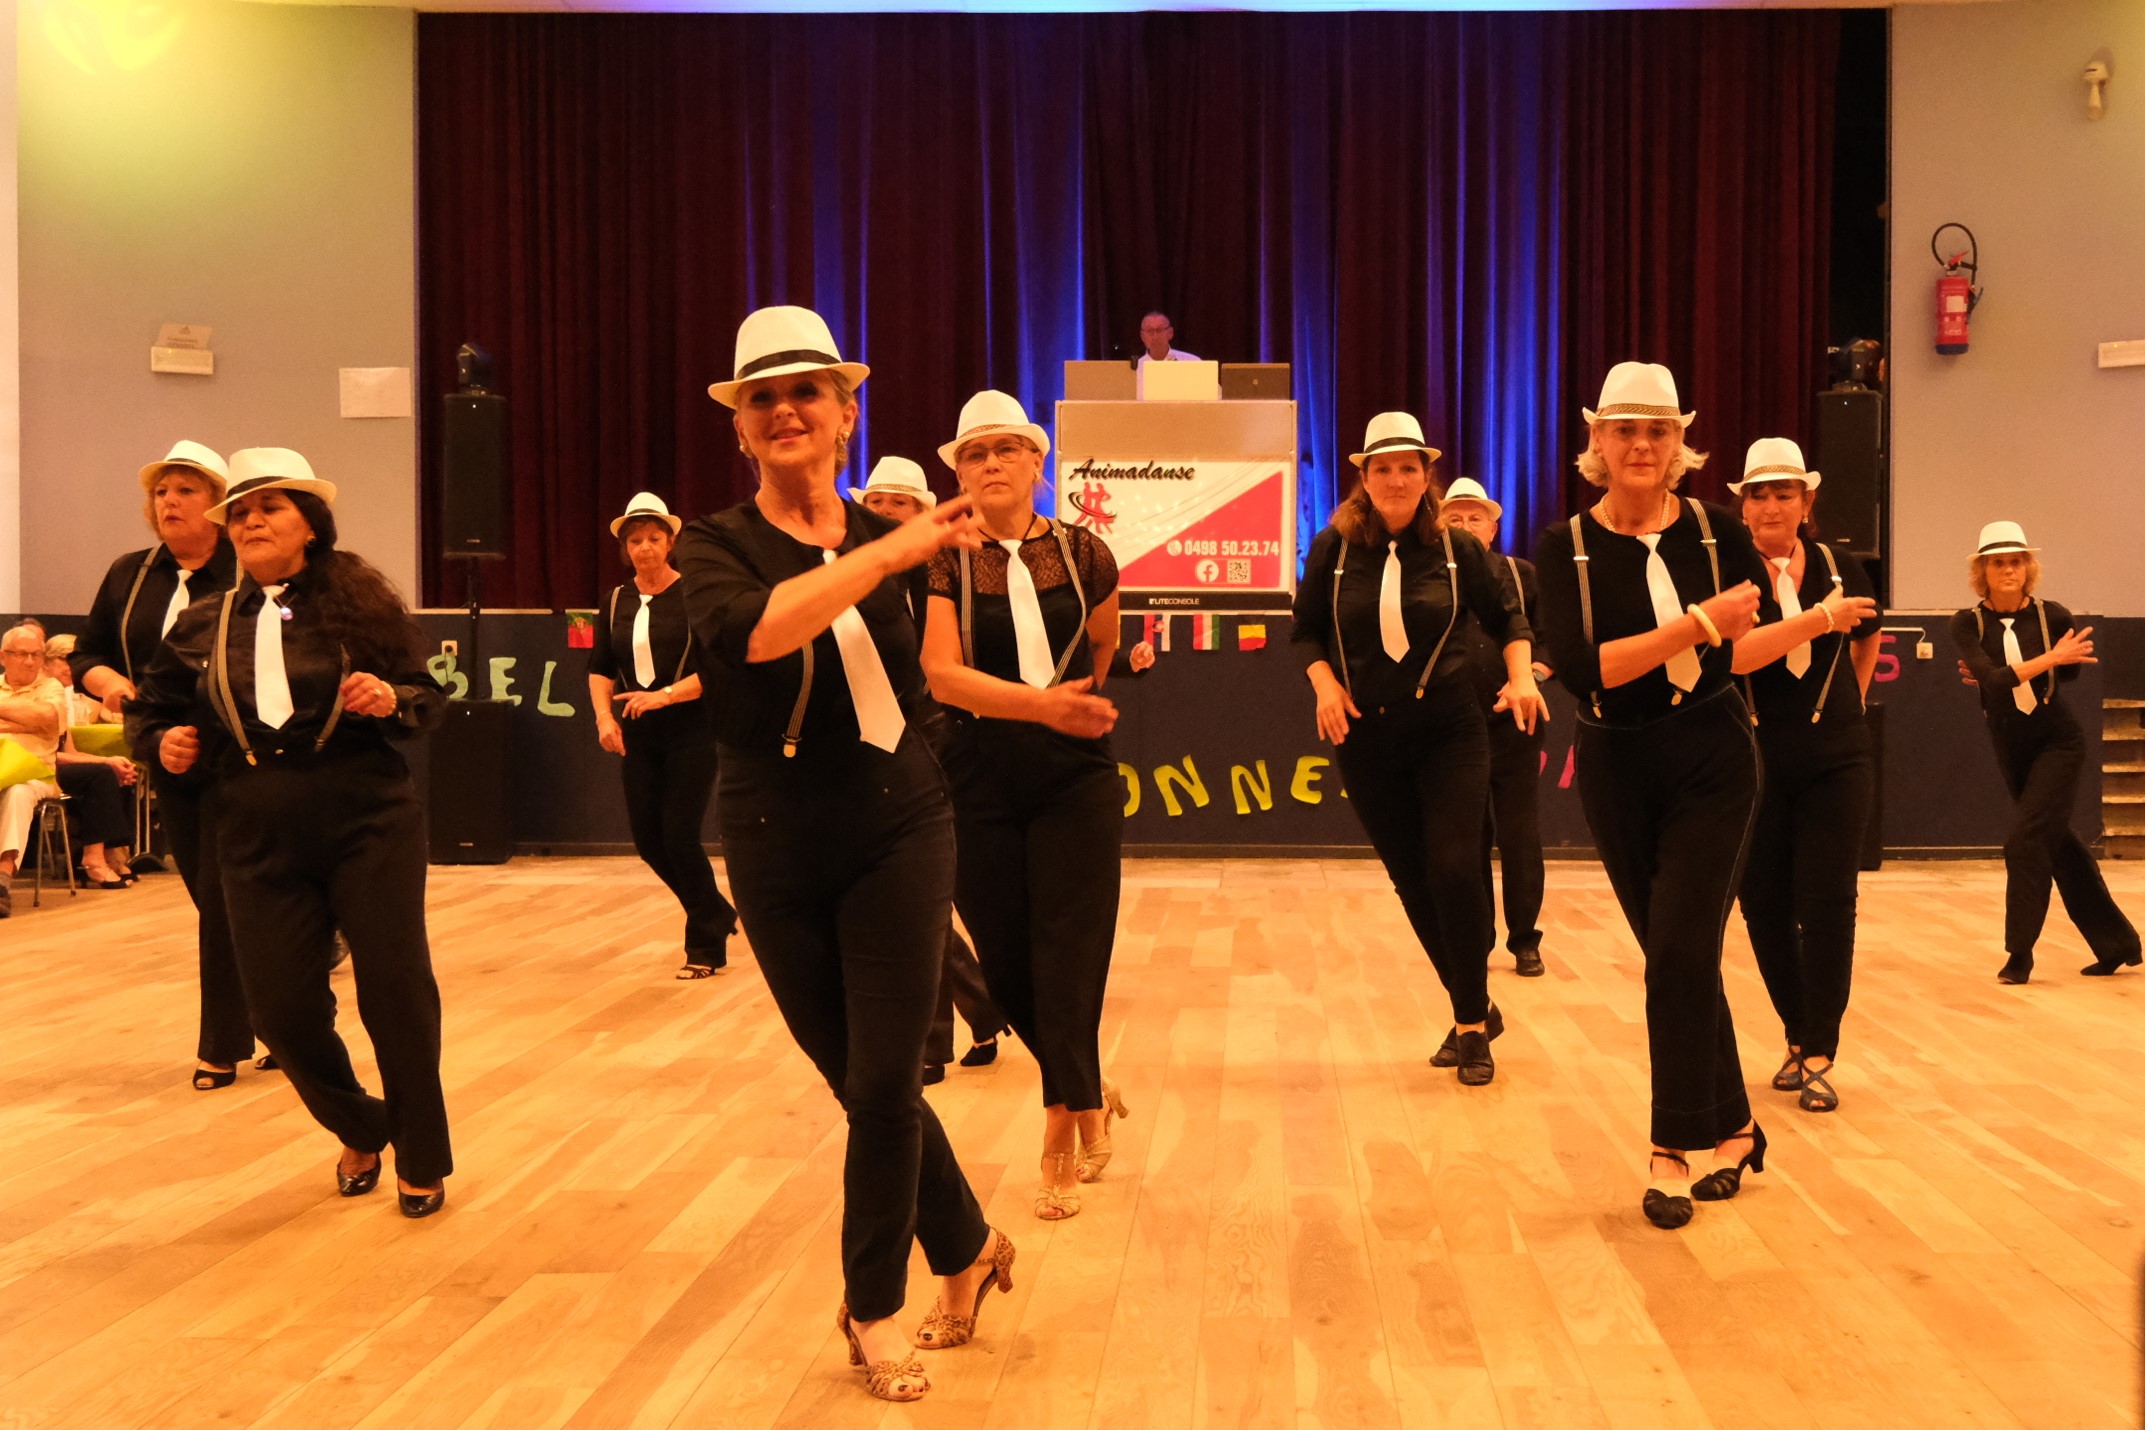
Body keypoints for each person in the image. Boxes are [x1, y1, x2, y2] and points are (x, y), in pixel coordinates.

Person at [679, 306, 1011, 1404]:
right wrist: (886, 551)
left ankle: (869, 1307)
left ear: (844, 413)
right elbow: (760, 632)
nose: (785, 411)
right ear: (740, 426)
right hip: (772, 835)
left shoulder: (888, 537)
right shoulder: (714, 543)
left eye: (806, 392)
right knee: (858, 1082)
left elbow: (920, 675)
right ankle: (967, 1245)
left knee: (883, 1080)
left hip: (899, 821)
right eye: (762, 398)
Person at [1534, 363, 1845, 1231]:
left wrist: (1812, 620)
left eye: (1658, 430)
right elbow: (1587, 670)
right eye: (1625, 430)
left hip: (1713, 756)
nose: (1641, 445)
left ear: (1679, 442)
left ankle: (1671, 1147)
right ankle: (1738, 1128)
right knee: (1680, 957)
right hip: (1616, 764)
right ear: (1597, 441)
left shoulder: (1714, 530)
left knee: (1675, 954)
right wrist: (1699, 624)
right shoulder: (1563, 545)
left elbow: (1742, 651)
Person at [128, 448, 453, 1217]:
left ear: (310, 524)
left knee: (395, 990)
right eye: (239, 513)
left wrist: (391, 698)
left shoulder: (361, 606)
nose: (250, 522)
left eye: (268, 508)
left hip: (367, 818)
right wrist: (162, 742)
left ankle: (422, 1154)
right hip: (253, 827)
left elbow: (425, 695)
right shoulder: (203, 623)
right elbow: (150, 709)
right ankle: (363, 1125)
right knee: (278, 1011)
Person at [919, 390, 1133, 1221]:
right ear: (959, 472)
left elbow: (1104, 641)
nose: (991, 464)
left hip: (1073, 772)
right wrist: (1038, 705)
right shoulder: (944, 560)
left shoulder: (1085, 552)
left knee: (1068, 954)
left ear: (1038, 462)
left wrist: (1066, 711)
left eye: (1007, 449)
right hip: (976, 769)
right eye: (975, 454)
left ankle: (1056, 1136)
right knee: (1008, 969)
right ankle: (1089, 1089)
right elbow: (942, 674)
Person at [1291, 414, 1545, 1087]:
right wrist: (1324, 685)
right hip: (1366, 737)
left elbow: (1509, 618)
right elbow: (1305, 629)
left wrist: (1521, 676)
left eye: (1408, 467)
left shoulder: (1456, 549)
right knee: (1412, 880)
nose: (1396, 479)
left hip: (1449, 730)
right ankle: (1474, 1005)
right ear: (1365, 478)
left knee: (1456, 868)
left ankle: (1470, 1026)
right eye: (1383, 468)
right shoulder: (1333, 548)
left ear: (1425, 476)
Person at [70, 440, 256, 1087]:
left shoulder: (246, 569)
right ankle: (294, 1006)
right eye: (161, 492)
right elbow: (86, 652)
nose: (169, 502)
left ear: (218, 505)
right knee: (216, 898)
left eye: (185, 490)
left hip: (242, 751)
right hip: (164, 748)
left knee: (228, 898)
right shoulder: (131, 573)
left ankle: (222, 1045)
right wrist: (109, 685)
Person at [1727, 440, 1882, 1114]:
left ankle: (1819, 1048)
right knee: (1762, 902)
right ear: (1742, 505)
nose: (1770, 506)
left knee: (1827, 900)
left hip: (1836, 756)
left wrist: (1849, 698)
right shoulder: (1728, 571)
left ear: (1806, 501)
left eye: (1783, 493)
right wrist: (1820, 620)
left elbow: (1867, 634)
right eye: (1758, 495)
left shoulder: (1840, 567)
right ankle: (1796, 1031)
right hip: (1752, 757)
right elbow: (1734, 657)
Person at [854, 457, 1013, 1083]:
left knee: (915, 895)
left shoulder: (948, 573)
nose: (885, 512)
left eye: (899, 503)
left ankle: (931, 1043)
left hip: (934, 734)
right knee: (904, 900)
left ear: (924, 513)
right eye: (876, 502)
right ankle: (981, 1007)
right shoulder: (847, 574)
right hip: (864, 741)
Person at [1950, 521, 2140, 983]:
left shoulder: (2053, 616)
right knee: (2060, 846)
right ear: (1983, 571)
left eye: (2017, 561)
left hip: (2058, 739)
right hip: (2009, 741)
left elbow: (2063, 674)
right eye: (1998, 562)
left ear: (2028, 568)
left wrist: (2027, 668)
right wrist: (2043, 661)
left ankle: (2019, 954)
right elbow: (1994, 681)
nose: (2009, 569)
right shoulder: (1967, 622)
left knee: (2025, 842)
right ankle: (2117, 943)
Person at [586, 490, 739, 978]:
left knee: (679, 836)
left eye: (654, 538)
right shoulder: (616, 601)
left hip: (691, 727)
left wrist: (666, 695)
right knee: (649, 841)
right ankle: (715, 910)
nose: (645, 548)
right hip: (638, 731)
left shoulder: (695, 594)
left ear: (671, 543)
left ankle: (705, 945)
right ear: (625, 548)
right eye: (636, 541)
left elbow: (716, 668)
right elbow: (600, 667)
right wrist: (604, 718)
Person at [1440, 475, 1552, 978]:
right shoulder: (1429, 578)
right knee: (1467, 840)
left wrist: (1530, 676)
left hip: (1516, 724)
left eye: (1475, 518)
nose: (1466, 527)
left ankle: (1525, 940)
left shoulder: (1522, 575)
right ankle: (1476, 941)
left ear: (1492, 528)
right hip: (1454, 729)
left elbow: (1551, 639)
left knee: (1520, 836)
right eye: (1455, 519)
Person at [39, 632, 141, 887]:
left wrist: (110, 760)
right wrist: (102, 764)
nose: (70, 666)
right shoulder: (38, 697)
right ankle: (93, 860)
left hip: (58, 763)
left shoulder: (59, 697)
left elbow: (70, 751)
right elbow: (47, 754)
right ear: (46, 662)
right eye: (64, 659)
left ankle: (113, 853)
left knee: (120, 771)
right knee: (100, 774)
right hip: (39, 767)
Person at [0, 622, 69, 916]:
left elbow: (48, 719)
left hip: (36, 775)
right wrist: (26, 721)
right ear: (3, 656)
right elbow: (37, 719)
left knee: (18, 792)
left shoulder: (51, 687)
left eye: (36, 655)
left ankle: (3, 878)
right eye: (21, 654)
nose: (29, 662)